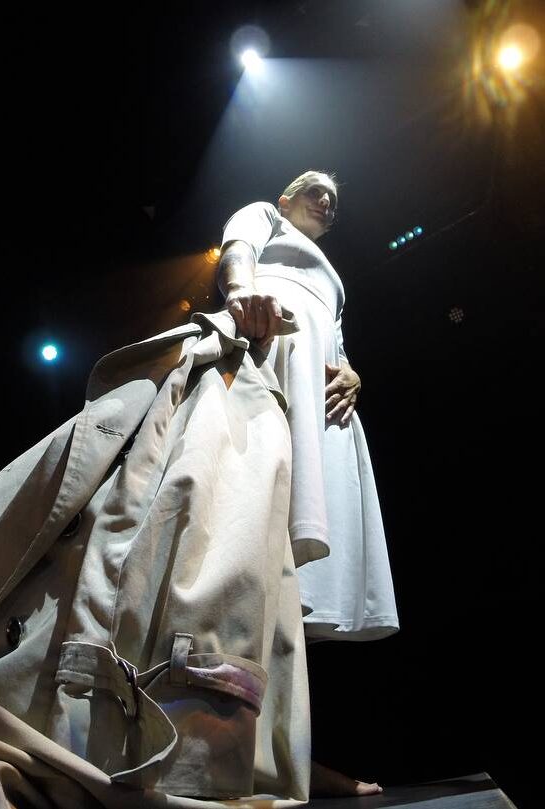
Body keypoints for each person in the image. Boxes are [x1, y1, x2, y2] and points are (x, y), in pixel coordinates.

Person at [217, 170, 400, 797]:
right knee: (249, 550)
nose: (327, 200)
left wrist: (353, 374)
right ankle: (246, 751)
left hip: (321, 406)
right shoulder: (261, 218)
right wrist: (244, 297)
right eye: (313, 187)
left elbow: (340, 345)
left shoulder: (335, 279)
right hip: (270, 351)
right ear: (283, 200)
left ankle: (288, 752)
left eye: (335, 198)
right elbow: (236, 251)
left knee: (297, 586)